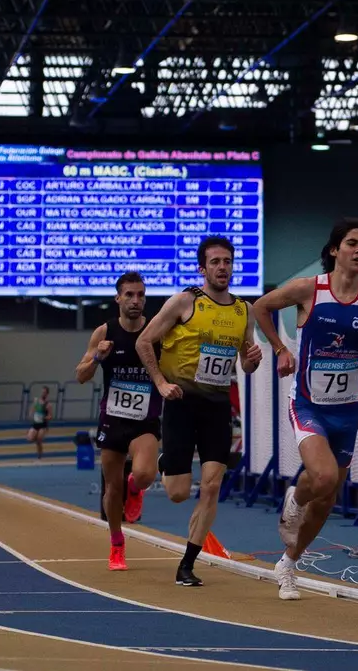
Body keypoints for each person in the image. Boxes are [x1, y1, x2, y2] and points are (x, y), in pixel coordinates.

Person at [253, 218, 358, 601]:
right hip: (308, 405)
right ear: (335, 250)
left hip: (348, 412)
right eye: (352, 243)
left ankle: (288, 563)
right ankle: (295, 499)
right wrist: (281, 350)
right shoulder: (309, 290)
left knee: (328, 497)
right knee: (324, 475)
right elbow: (260, 307)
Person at [136, 236, 263, 587]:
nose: (222, 267)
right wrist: (160, 383)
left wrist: (252, 360)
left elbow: (246, 363)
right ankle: (166, 461)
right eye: (215, 262)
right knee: (178, 493)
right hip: (181, 403)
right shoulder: (184, 302)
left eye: (227, 261)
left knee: (212, 485)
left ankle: (187, 564)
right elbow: (144, 341)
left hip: (217, 407)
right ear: (202, 268)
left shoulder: (244, 311)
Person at [75, 271, 162, 571]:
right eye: (129, 295)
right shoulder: (104, 332)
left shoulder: (156, 330)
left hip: (144, 419)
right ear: (118, 298)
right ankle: (116, 543)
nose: (136, 300)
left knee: (145, 474)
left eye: (141, 295)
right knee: (111, 490)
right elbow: (81, 375)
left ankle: (135, 488)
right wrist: (98, 358)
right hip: (113, 419)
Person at [26, 386, 52, 458]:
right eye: (42, 392)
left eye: (44, 392)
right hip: (35, 424)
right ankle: (32, 434)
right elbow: (32, 409)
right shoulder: (36, 401)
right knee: (29, 439)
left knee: (39, 440)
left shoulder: (48, 405)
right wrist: (31, 414)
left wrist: (44, 417)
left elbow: (50, 416)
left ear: (47, 394)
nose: (43, 394)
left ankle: (39, 456)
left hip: (43, 425)